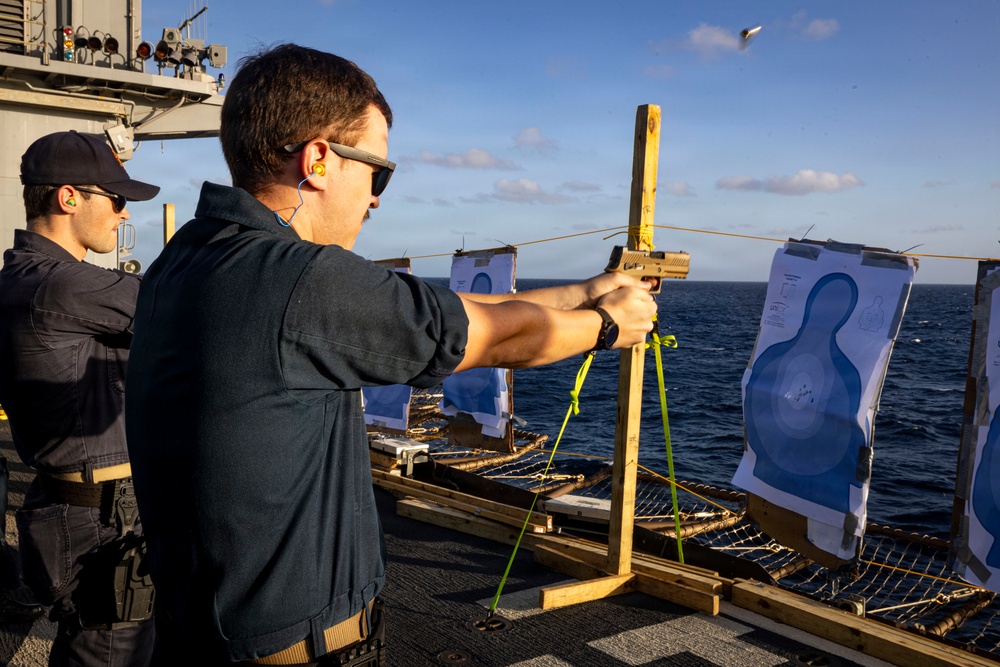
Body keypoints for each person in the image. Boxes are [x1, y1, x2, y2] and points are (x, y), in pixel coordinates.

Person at [124, 43, 657, 666]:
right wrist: (605, 325)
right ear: (319, 159)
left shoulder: (187, 257)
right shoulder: (302, 279)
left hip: (197, 627)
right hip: (293, 644)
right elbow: (491, 335)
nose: (376, 198)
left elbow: (472, 312)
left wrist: (587, 289)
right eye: (378, 171)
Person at [0, 131, 160, 666]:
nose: (121, 214)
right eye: (115, 199)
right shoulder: (64, 285)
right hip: (99, 523)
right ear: (69, 197)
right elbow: (181, 304)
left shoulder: (23, 278)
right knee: (108, 656)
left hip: (73, 506)